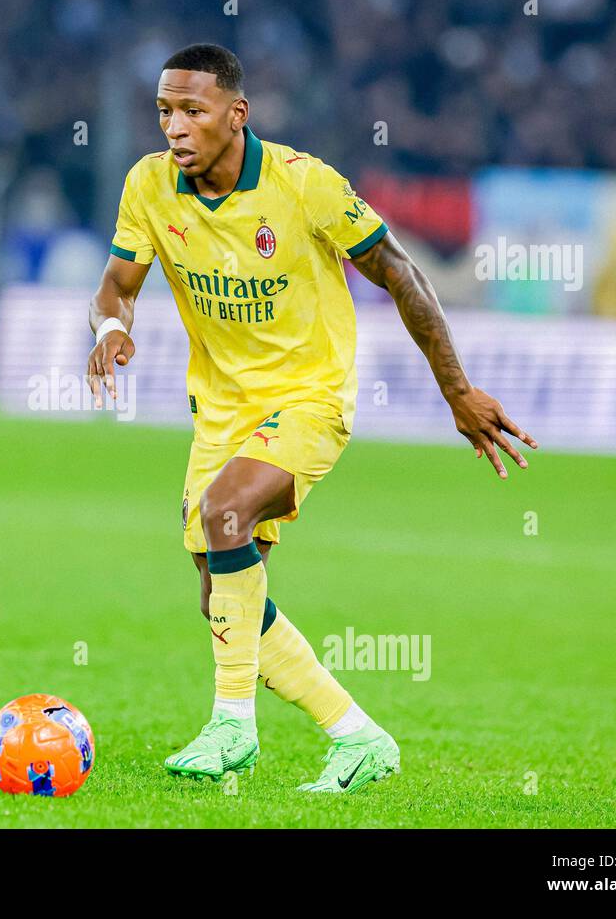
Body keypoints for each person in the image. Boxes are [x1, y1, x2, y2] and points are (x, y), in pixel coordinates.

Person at [86, 44, 535, 792]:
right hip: (221, 412)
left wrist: (457, 391)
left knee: (224, 511)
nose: (175, 127)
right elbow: (115, 285)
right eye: (165, 110)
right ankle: (358, 737)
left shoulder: (304, 185)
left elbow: (403, 274)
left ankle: (231, 727)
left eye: (193, 111)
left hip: (309, 398)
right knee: (223, 593)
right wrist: (111, 329)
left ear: (237, 114)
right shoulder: (149, 186)